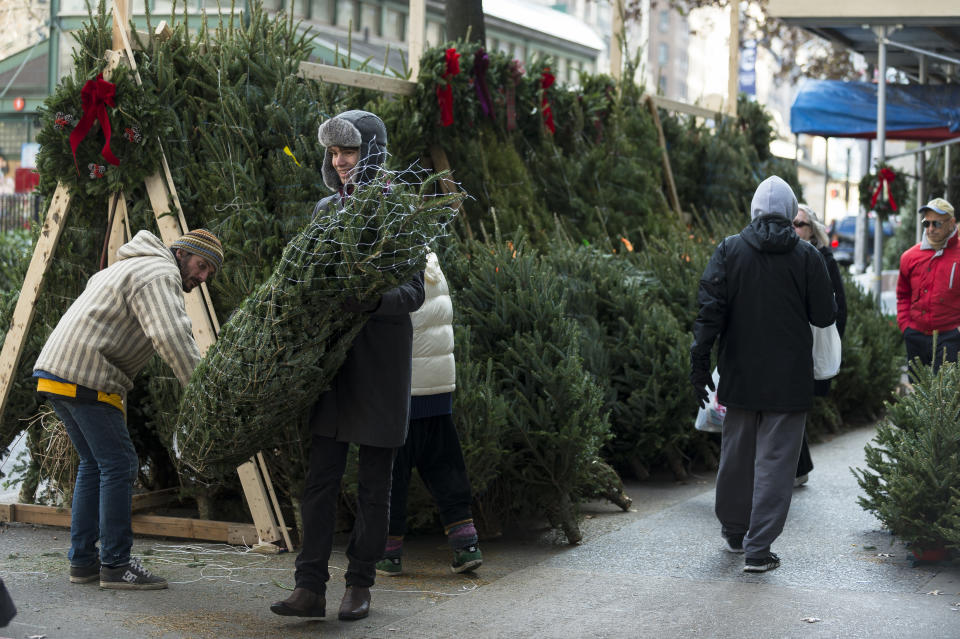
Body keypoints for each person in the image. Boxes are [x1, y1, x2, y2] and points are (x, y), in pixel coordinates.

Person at [270, 110, 424, 622]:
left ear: (372, 151)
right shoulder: (323, 210)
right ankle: (309, 587)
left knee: (374, 485)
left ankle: (360, 585)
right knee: (320, 479)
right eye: (333, 153)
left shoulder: (399, 211)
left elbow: (414, 292)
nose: (339, 162)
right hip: (333, 364)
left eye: (349, 151)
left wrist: (373, 299)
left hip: (380, 363)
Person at [33, 228, 223, 590]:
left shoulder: (127, 267)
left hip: (58, 372)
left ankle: (84, 562)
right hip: (85, 374)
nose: (202, 277)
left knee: (95, 464)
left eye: (208, 273)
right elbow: (170, 336)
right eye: (201, 266)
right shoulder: (159, 273)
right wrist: (202, 394)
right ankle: (117, 565)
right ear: (181, 253)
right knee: (120, 464)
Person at [690, 176, 835, 573]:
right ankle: (758, 549)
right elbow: (824, 315)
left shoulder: (729, 250)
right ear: (792, 214)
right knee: (776, 463)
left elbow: (708, 312)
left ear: (753, 210)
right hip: (789, 380)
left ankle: (735, 532)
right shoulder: (807, 256)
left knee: (736, 456)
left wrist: (699, 364)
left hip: (739, 374)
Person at [375, 252, 482, 578]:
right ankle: (466, 545)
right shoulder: (431, 263)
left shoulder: (391, 263)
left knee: (392, 474)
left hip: (401, 391)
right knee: (446, 466)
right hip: (437, 389)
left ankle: (389, 552)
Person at [791, 204, 847, 487]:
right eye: (791, 223)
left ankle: (799, 468)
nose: (794, 228)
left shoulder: (822, 257)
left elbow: (839, 308)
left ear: (812, 229)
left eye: (800, 224)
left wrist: (831, 350)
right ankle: (799, 467)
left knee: (795, 405)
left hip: (814, 345)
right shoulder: (789, 256)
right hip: (793, 345)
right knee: (791, 404)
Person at [896, 197, 960, 373]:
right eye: (926, 223)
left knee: (945, 396)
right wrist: (905, 326)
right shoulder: (909, 257)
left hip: (950, 337)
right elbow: (903, 294)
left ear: (951, 223)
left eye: (937, 224)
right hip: (915, 335)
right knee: (917, 393)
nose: (930, 229)